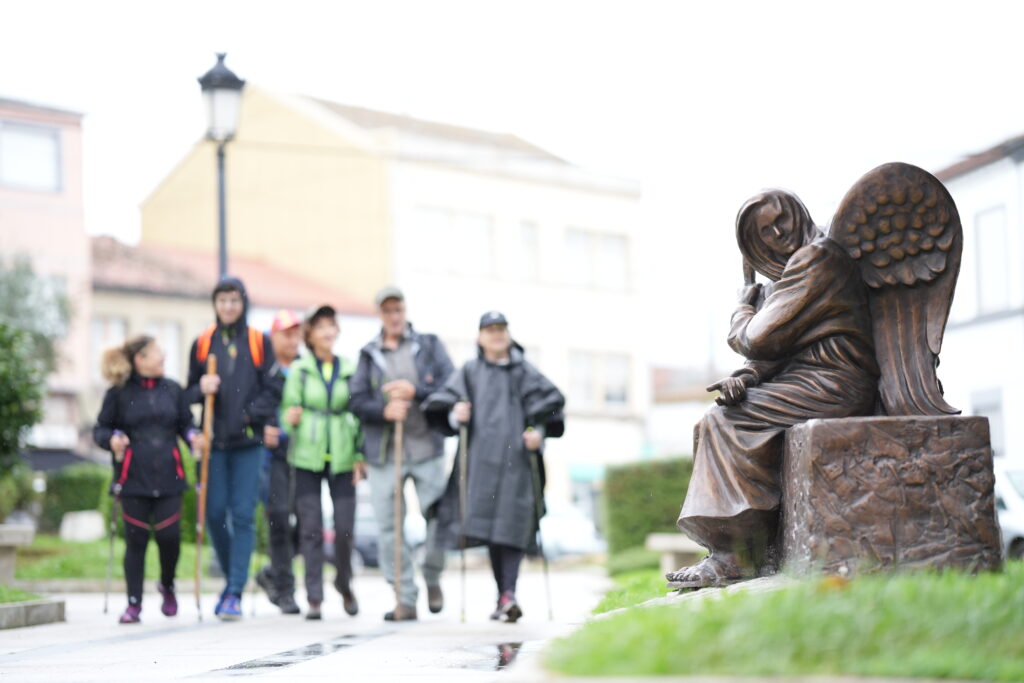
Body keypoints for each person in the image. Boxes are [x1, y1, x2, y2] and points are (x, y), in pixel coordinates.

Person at [667, 190, 879, 587]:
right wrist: (744, 379)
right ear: (756, 244)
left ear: (798, 211)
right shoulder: (794, 274)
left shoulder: (818, 259)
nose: (779, 233)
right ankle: (745, 547)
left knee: (725, 423)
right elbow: (776, 352)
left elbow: (759, 339)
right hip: (808, 377)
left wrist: (743, 306)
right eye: (766, 232)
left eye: (782, 219)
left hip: (835, 381)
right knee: (713, 420)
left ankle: (734, 555)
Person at [423, 311, 565, 622]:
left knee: (511, 525)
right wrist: (454, 414)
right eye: (490, 329)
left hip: (517, 463)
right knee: (491, 528)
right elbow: (443, 406)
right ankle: (504, 596)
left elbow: (550, 407)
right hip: (480, 463)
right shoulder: (470, 372)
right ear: (480, 337)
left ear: (509, 334)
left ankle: (508, 594)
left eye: (501, 329)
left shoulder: (525, 372)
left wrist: (537, 434)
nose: (496, 334)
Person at [348, 285, 454, 621]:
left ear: (405, 312)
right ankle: (404, 598)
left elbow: (451, 386)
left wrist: (417, 392)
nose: (394, 316)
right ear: (380, 315)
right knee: (388, 527)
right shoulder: (368, 354)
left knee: (439, 518)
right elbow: (355, 400)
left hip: (427, 447)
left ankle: (433, 576)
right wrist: (384, 410)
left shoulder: (430, 345)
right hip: (385, 453)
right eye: (387, 311)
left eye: (398, 310)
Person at [184, 276, 280, 620]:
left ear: (243, 303)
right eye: (222, 300)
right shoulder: (201, 343)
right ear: (215, 304)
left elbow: (273, 388)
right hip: (213, 442)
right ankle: (231, 580)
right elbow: (187, 395)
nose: (228, 306)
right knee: (213, 514)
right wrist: (201, 387)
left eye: (234, 300)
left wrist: (250, 415)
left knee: (242, 514)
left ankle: (235, 590)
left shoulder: (258, 342)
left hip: (248, 443)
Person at [94, 335, 204, 624]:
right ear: (140, 360)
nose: (163, 356)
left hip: (170, 475)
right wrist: (113, 439)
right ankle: (134, 604)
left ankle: (167, 584)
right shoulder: (118, 393)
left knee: (169, 538)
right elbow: (101, 430)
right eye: (157, 353)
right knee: (136, 541)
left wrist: (193, 436)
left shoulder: (173, 390)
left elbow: (186, 424)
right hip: (133, 477)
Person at [281, 305, 367, 620]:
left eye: (332, 326)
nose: (328, 332)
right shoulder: (300, 370)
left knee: (345, 528)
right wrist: (288, 418)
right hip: (306, 456)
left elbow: (357, 412)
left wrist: (360, 455)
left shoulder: (349, 367)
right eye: (321, 327)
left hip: (343, 454)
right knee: (311, 529)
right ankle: (314, 596)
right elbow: (286, 411)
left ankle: (344, 583)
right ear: (310, 335)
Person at [255, 310, 303, 615]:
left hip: (303, 455)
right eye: (287, 333)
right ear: (273, 337)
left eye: (297, 333)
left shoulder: (306, 368)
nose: (294, 339)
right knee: (280, 520)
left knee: (308, 524)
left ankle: (272, 571)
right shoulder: (262, 372)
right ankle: (285, 590)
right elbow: (253, 409)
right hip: (271, 458)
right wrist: (263, 431)